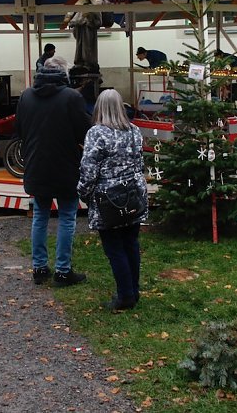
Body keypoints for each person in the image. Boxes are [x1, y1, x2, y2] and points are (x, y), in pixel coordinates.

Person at [16, 56, 92, 287]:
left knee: (40, 215)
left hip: (36, 165)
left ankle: (39, 268)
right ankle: (62, 271)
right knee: (67, 217)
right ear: (64, 74)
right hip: (65, 166)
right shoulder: (71, 97)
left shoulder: (26, 96)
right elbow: (84, 133)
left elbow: (18, 129)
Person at [77, 89, 147, 311]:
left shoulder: (97, 133)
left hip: (109, 201)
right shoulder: (135, 131)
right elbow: (139, 164)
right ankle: (133, 291)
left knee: (114, 248)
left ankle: (125, 296)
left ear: (99, 107)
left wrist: (83, 193)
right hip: (134, 195)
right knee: (131, 244)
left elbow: (88, 170)